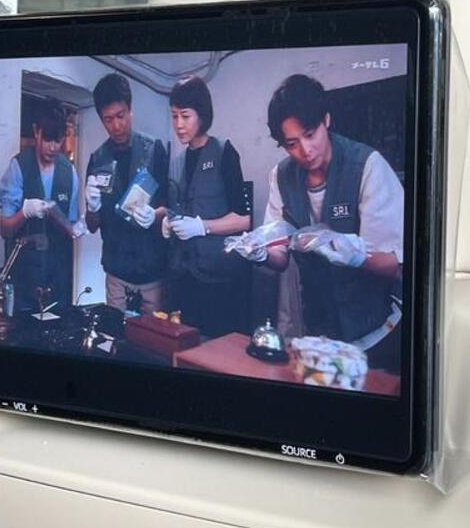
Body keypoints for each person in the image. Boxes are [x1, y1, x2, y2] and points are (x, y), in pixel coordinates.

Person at [238, 74, 403, 371]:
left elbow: (394, 264)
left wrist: (356, 256)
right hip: (320, 334)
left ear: (326, 120)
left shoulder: (367, 166)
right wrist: (260, 252)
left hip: (374, 333)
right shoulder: (281, 176)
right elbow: (280, 256)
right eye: (292, 143)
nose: (305, 150)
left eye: (310, 134)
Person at [163, 76, 251, 338]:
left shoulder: (224, 152)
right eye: (174, 116)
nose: (179, 125)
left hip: (220, 279)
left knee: (216, 348)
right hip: (183, 277)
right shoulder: (177, 162)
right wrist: (168, 221)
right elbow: (177, 207)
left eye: (185, 116)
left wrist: (202, 227)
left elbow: (245, 220)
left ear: (202, 115)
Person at [85, 73, 169, 314]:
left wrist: (155, 215)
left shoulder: (154, 150)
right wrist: (92, 208)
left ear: (130, 110)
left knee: (152, 336)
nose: (116, 126)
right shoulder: (98, 159)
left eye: (120, 116)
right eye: (108, 119)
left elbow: (172, 208)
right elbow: (92, 225)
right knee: (116, 334)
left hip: (152, 272)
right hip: (116, 272)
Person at [0, 98, 80, 312]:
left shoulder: (69, 173)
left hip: (57, 279)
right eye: (48, 139)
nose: (53, 147)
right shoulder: (19, 167)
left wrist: (79, 226)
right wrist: (24, 212)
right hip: (24, 277)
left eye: (58, 140)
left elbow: (72, 229)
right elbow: (5, 230)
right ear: (36, 131)